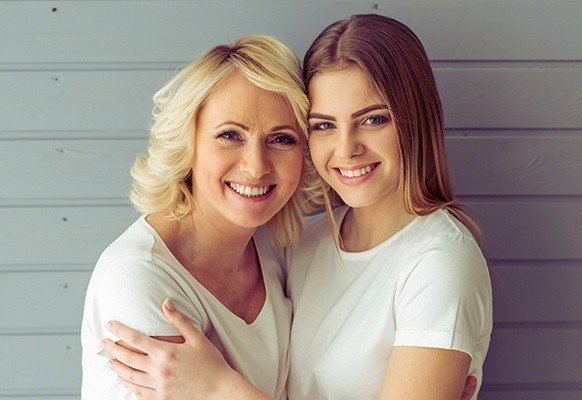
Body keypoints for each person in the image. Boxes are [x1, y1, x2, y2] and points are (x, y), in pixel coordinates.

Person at [100, 14, 492, 400]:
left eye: (373, 119)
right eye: (324, 125)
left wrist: (219, 388)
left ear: (418, 117)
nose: (346, 149)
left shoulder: (441, 262)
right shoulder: (300, 243)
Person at [80, 35, 321, 400]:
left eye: (282, 139)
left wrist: (219, 387)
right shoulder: (138, 275)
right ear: (188, 144)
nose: (256, 166)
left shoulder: (271, 248)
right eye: (230, 135)